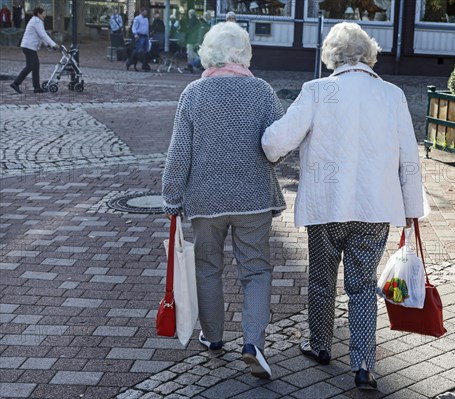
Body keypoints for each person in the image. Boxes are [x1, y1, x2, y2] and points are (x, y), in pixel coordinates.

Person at [261, 22, 425, 390]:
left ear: (331, 56)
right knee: (364, 286)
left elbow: (277, 142)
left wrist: (262, 141)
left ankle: (319, 344)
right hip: (374, 210)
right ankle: (363, 362)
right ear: (369, 55)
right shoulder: (392, 95)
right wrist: (411, 209)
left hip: (326, 209)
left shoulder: (317, 91)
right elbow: (408, 157)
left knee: (321, 281)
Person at [162, 22, 285, 380]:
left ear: (208, 53)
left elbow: (179, 153)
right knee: (256, 270)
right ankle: (253, 344)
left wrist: (172, 196)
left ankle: (213, 338)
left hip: (205, 199)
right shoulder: (262, 91)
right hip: (254, 198)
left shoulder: (193, 94)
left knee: (207, 268)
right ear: (244, 53)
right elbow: (276, 147)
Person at [10, 7, 59, 94]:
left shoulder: (37, 21)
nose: (45, 15)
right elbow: (43, 35)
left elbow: (41, 35)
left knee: (36, 66)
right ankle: (16, 83)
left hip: (29, 47)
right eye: (43, 13)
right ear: (38, 14)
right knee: (30, 66)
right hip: (29, 47)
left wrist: (48, 45)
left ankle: (37, 87)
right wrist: (53, 44)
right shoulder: (37, 21)